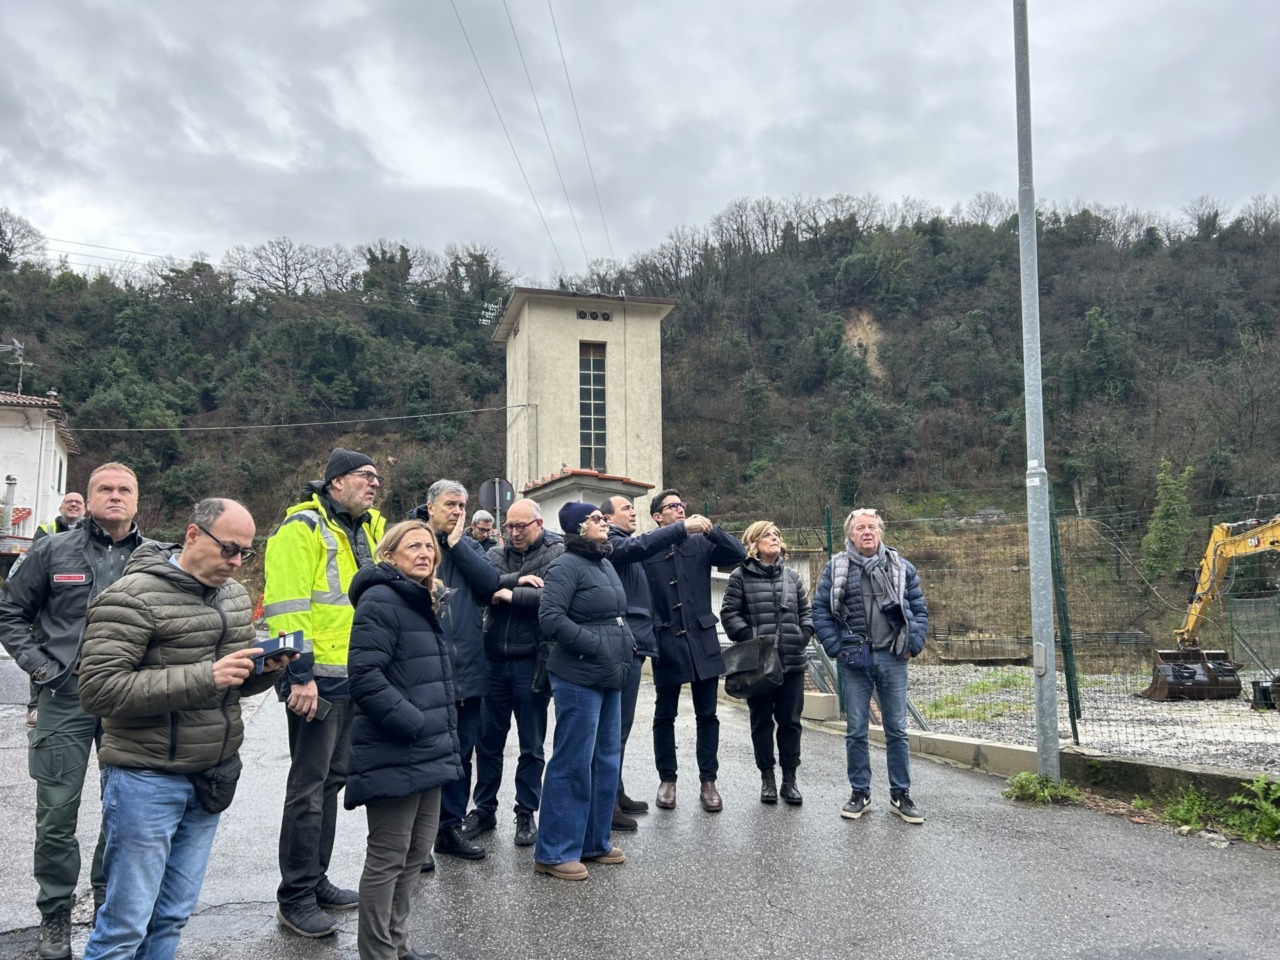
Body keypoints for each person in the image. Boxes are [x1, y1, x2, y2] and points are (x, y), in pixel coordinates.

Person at [77, 498, 294, 960]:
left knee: (173, 916)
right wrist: (205, 676)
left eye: (245, 554)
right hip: (145, 780)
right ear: (193, 535)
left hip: (211, 777)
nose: (236, 563)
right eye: (229, 549)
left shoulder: (233, 597)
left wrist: (267, 667)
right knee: (123, 928)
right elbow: (98, 691)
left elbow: (230, 685)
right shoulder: (129, 597)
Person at [0, 462, 145, 960]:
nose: (115, 496)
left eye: (124, 489)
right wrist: (40, 669)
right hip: (65, 697)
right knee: (56, 815)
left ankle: (110, 906)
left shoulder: (154, 560)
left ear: (137, 500)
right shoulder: (52, 549)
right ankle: (55, 915)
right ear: (88, 496)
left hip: (128, 704)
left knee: (124, 812)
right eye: (105, 488)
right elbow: (10, 612)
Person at [265, 447, 386, 938]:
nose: (375, 483)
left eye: (378, 477)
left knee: (332, 784)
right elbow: (286, 608)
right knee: (308, 788)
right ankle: (294, 897)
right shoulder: (302, 530)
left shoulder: (371, 528)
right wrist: (299, 676)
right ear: (336, 482)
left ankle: (316, 881)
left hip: (355, 676)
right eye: (365, 476)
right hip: (318, 680)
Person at [346, 520, 461, 960]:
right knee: (388, 856)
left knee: (415, 852)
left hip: (429, 747)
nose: (424, 552)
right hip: (397, 745)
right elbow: (365, 677)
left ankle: (397, 944)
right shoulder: (380, 600)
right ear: (389, 555)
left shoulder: (424, 600)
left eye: (429, 546)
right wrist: (413, 723)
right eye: (413, 545)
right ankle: (378, 953)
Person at [533, 502, 633, 881]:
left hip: (609, 672)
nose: (603, 522)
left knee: (606, 759)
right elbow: (550, 618)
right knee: (573, 761)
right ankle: (554, 851)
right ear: (577, 528)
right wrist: (594, 645)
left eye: (602, 517)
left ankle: (593, 842)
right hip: (577, 674)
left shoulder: (603, 563)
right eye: (594, 519)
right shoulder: (564, 565)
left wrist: (624, 646)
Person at [600, 494, 711, 830]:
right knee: (614, 731)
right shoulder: (614, 543)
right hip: (624, 645)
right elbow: (638, 548)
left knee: (619, 728)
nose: (633, 512)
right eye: (626, 509)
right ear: (607, 519)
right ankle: (606, 805)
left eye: (635, 508)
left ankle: (614, 795)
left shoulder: (630, 543)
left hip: (635, 644)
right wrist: (681, 530)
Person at [813, 508, 928, 824]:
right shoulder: (836, 568)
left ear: (881, 532)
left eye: (872, 527)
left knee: (897, 730)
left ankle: (900, 794)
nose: (867, 532)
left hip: (893, 656)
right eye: (861, 527)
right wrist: (835, 648)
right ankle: (859, 793)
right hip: (854, 659)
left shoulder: (902, 568)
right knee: (856, 730)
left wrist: (912, 645)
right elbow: (820, 611)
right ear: (850, 534)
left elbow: (918, 610)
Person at [461, 499, 562, 848]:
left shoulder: (557, 553)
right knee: (487, 742)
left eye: (521, 527)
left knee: (531, 744)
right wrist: (515, 585)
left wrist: (508, 594)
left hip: (531, 662)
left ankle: (525, 812)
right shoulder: (495, 555)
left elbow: (554, 599)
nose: (514, 533)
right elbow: (479, 589)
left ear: (538, 524)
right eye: (509, 528)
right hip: (492, 661)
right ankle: (484, 809)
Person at [644, 489, 746, 813]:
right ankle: (668, 780)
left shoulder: (700, 542)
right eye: (672, 506)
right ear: (658, 516)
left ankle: (708, 782)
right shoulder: (648, 548)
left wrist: (711, 529)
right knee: (665, 714)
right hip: (667, 641)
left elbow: (738, 553)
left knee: (707, 714)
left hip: (702, 639)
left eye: (682, 506)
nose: (679, 510)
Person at [414, 480, 500, 861]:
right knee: (422, 757)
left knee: (461, 755)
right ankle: (416, 842)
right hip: (424, 671)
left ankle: (448, 830)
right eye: (450, 504)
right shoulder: (410, 543)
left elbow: (489, 584)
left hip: (467, 669)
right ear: (430, 506)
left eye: (462, 506)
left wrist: (458, 543)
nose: (456, 512)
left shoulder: (466, 547)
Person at [720, 521, 815, 805]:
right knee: (761, 722)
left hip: (792, 662)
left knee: (790, 722)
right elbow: (729, 614)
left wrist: (802, 636)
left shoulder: (793, 577)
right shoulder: (740, 576)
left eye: (776, 533)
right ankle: (767, 779)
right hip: (757, 665)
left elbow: (806, 614)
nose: (774, 538)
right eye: (767, 535)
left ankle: (790, 780)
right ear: (753, 543)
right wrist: (752, 640)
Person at [26, 494, 84, 728]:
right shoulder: (45, 529)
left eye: (78, 502)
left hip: (73, 601)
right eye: (69, 502)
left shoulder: (93, 532)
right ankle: (35, 706)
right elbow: (37, 560)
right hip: (47, 602)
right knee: (41, 652)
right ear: (61, 507)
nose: (73, 505)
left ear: (85, 509)